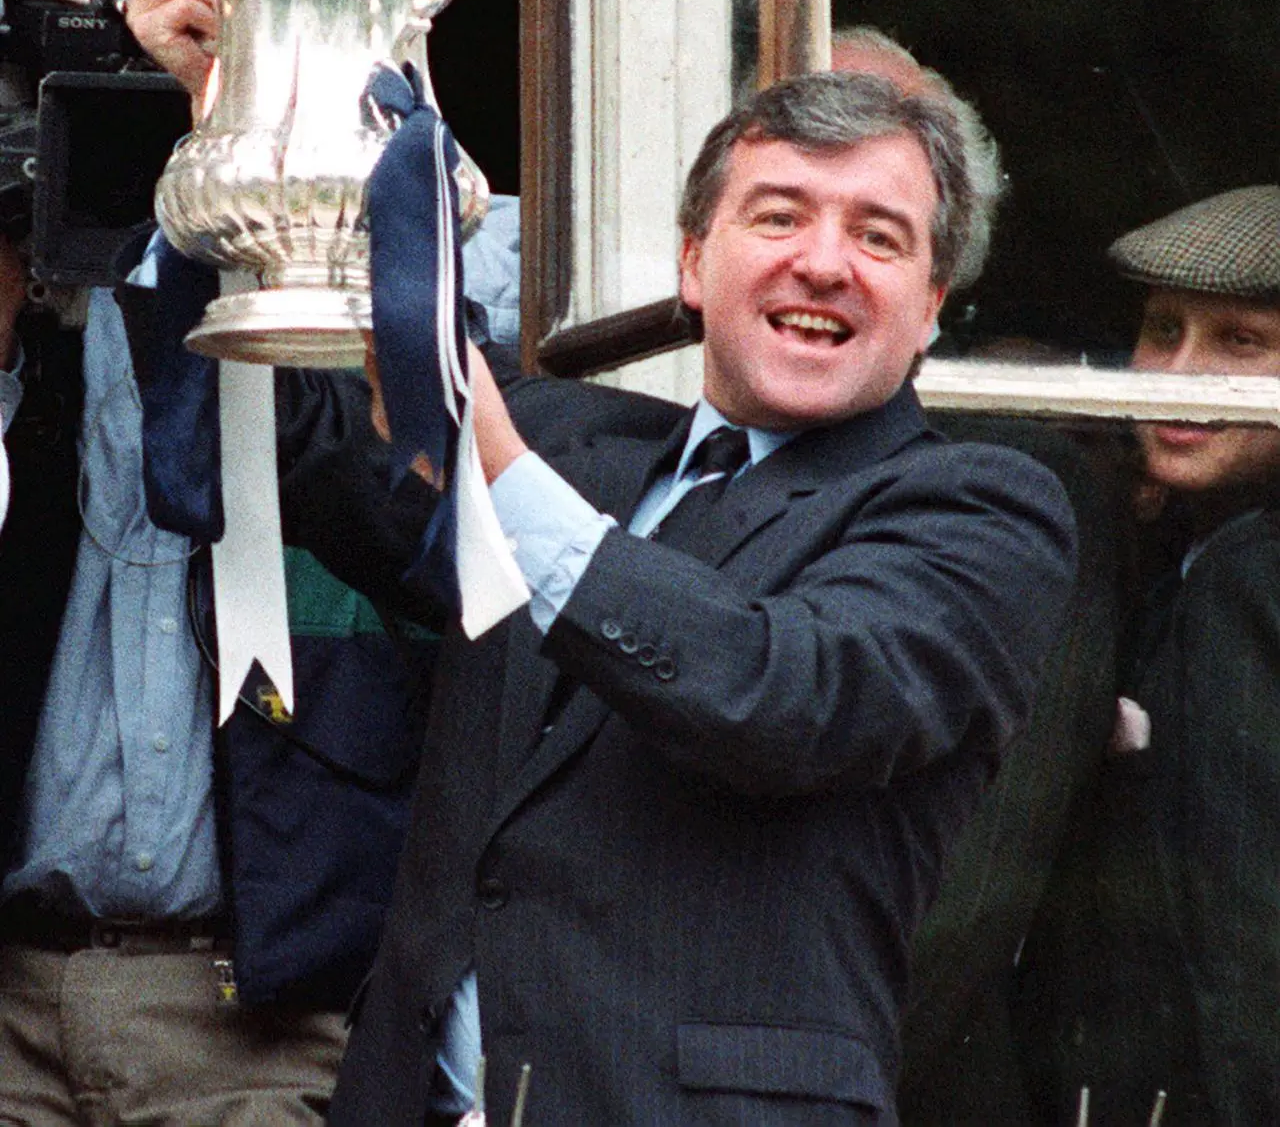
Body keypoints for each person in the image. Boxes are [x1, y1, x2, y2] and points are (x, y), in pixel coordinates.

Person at [331, 69, 1077, 1126]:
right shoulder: (571, 444)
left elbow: (783, 694)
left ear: (928, 311)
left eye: (878, 237)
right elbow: (300, 428)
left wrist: (490, 464)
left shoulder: (981, 511)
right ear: (692, 263)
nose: (821, 263)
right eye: (777, 217)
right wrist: (226, 117)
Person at [0, 0, 487, 1124]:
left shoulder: (378, 247)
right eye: (141, 24)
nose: (179, 56)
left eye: (228, 8)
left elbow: (406, 525)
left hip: (250, 1007)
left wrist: (235, 145)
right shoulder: (33, 287)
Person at [1015, 185, 1280, 1126]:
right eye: (1162, 330)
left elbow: (1243, 935)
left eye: (1239, 343)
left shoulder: (1249, 579)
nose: (1178, 373)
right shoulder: (1188, 554)